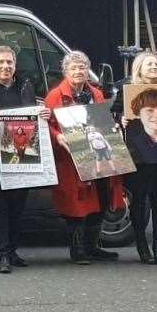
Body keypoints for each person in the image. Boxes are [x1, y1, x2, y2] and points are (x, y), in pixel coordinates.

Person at [0, 45, 49, 274]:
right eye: (1, 63)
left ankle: (13, 250)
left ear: (15, 66)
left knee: (18, 206)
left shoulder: (25, 87)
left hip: (22, 155)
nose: (6, 66)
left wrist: (43, 113)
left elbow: (33, 118)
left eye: (9, 63)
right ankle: (1, 254)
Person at [46, 50, 124, 266]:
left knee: (101, 199)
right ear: (65, 71)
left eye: (82, 67)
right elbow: (47, 126)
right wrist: (58, 136)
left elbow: (103, 121)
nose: (78, 71)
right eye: (74, 68)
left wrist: (113, 128)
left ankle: (92, 246)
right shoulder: (55, 96)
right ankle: (77, 249)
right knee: (77, 203)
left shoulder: (96, 94)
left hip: (97, 154)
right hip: (70, 158)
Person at [125, 85, 157, 264]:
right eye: (149, 110)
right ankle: (142, 246)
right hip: (138, 163)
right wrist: (121, 120)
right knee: (138, 203)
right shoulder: (128, 90)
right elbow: (113, 117)